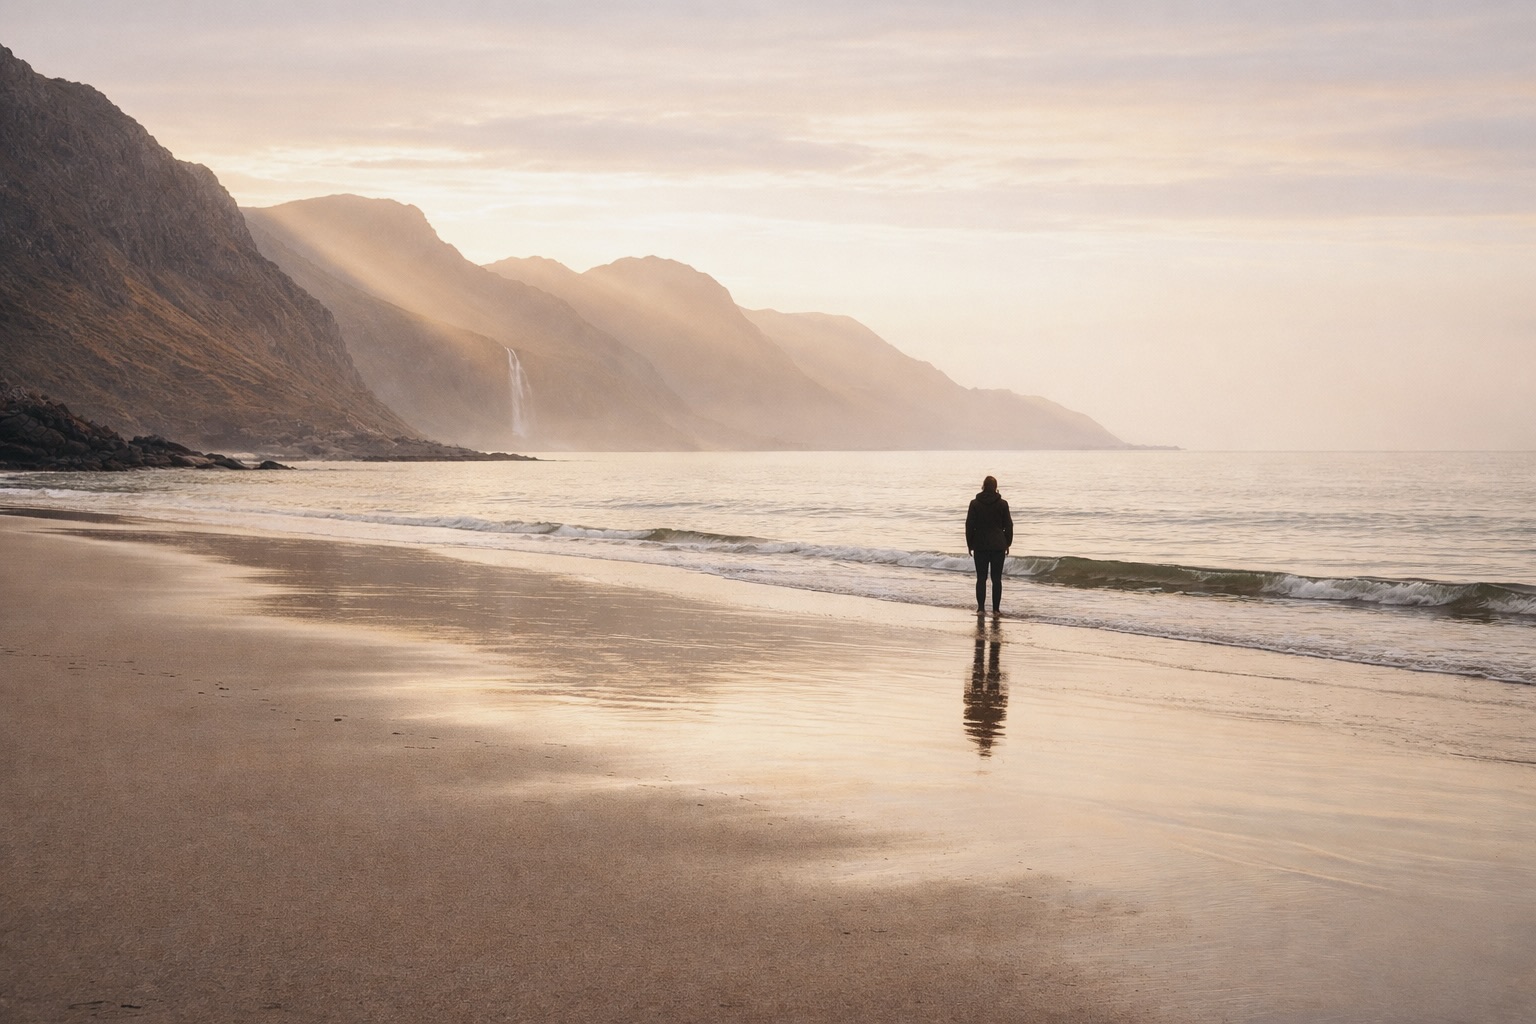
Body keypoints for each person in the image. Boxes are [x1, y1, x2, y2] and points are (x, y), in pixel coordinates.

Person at [965, 475, 1013, 614]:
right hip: (998, 545)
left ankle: (980, 609)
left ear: (983, 486)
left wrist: (970, 544)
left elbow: (969, 525)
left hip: (980, 545)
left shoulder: (974, 503)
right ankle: (996, 610)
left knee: (981, 578)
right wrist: (1007, 543)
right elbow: (1009, 525)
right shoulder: (1003, 504)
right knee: (996, 579)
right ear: (996, 487)